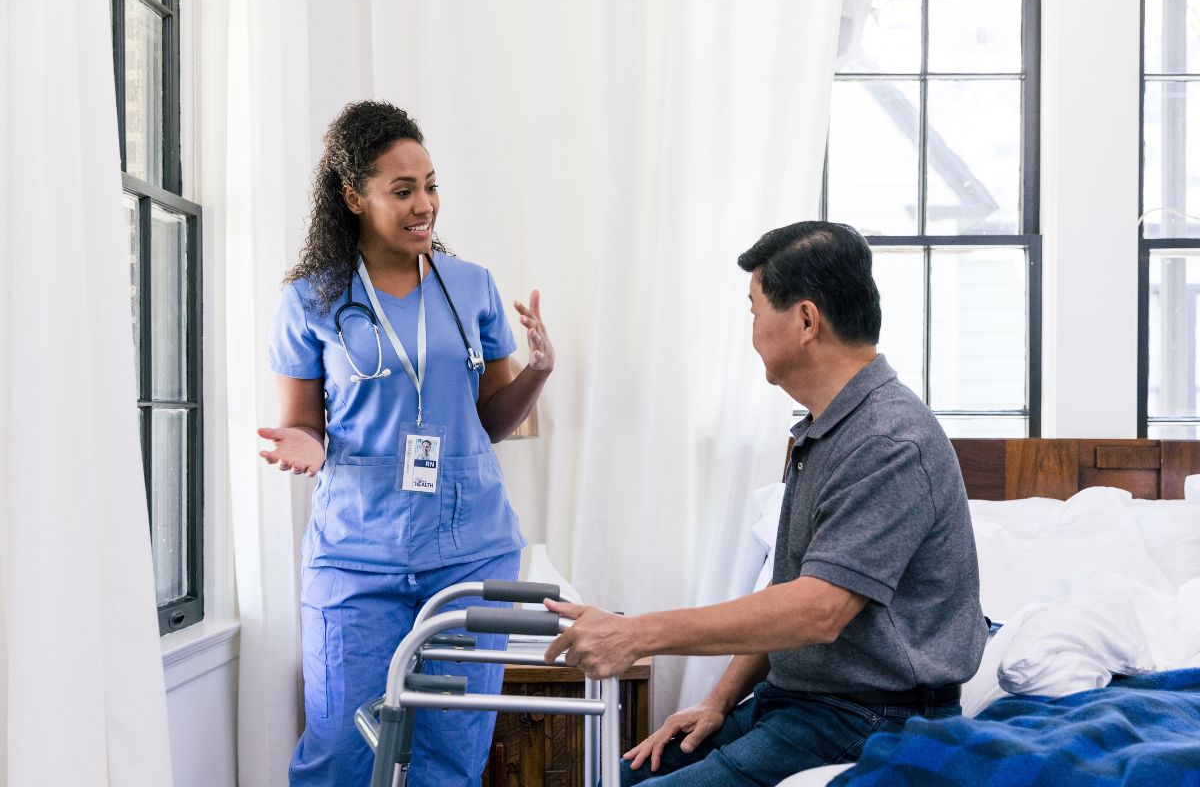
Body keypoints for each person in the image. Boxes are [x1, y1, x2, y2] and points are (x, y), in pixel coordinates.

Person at [543, 221, 987, 785]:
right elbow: (790, 592)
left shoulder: (888, 440)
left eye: (754, 311)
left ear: (804, 320)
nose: (751, 331)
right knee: (625, 773)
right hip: (801, 699)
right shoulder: (826, 430)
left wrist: (638, 632)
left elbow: (818, 610)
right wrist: (719, 701)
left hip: (873, 716)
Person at [258, 100, 554, 787]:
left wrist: (538, 372)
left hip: (470, 550)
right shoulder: (312, 301)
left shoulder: (471, 286)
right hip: (356, 556)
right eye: (403, 190)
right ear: (354, 197)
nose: (425, 205)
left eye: (430, 185)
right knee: (340, 748)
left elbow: (489, 421)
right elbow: (301, 420)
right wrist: (307, 445)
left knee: (449, 753)